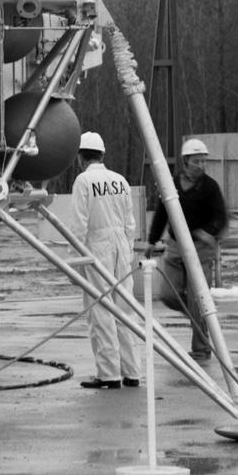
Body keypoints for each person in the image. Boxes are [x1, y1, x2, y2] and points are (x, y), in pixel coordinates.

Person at [70, 130, 143, 390]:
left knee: (100, 310)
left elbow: (79, 224)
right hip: (121, 247)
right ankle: (132, 372)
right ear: (102, 154)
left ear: (81, 157)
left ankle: (109, 374)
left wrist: (75, 262)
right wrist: (128, 249)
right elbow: (130, 222)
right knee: (125, 310)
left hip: (96, 250)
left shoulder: (83, 181)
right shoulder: (120, 180)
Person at [145, 136, 228, 362]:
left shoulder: (210, 187)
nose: (201, 166)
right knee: (167, 295)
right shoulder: (171, 184)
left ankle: (201, 349)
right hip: (175, 247)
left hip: (200, 249)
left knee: (197, 299)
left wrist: (209, 231)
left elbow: (221, 216)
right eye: (197, 161)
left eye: (204, 161)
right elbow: (162, 212)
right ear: (185, 161)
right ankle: (199, 318)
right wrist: (152, 240)